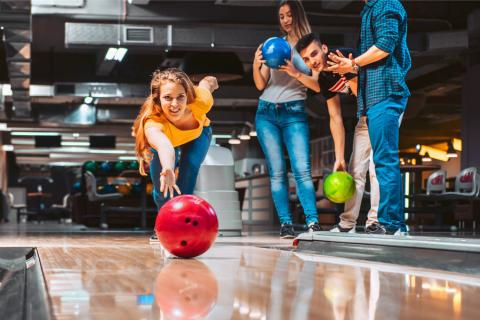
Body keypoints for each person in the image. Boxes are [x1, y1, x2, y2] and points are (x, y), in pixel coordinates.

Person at [327, 0, 411, 235]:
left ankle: (392, 224)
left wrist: (353, 62)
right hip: (373, 99)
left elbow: (385, 45)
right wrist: (352, 68)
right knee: (380, 162)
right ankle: (383, 222)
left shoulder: (386, 4)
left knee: (384, 161)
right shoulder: (370, 9)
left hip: (386, 93)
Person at [296, 33, 380, 234]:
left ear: (324, 48)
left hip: (383, 108)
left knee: (376, 169)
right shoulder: (324, 78)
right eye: (306, 59)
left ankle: (376, 222)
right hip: (365, 116)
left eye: (314, 54)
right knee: (354, 169)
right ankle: (347, 224)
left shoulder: (345, 55)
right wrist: (339, 158)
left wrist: (348, 71)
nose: (312, 61)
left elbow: (364, 90)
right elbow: (335, 118)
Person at [253, 0, 321, 238]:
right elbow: (260, 84)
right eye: (281, 16)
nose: (285, 20)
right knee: (277, 172)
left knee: (302, 170)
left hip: (294, 112)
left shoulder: (309, 46)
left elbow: (316, 84)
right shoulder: (273, 45)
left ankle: (313, 222)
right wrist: (255, 62)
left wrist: (295, 72)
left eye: (289, 15)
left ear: (298, 15)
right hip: (266, 113)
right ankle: (286, 224)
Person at [132, 68, 218, 242]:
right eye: (167, 97)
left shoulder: (201, 101)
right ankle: (163, 224)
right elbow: (165, 146)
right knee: (162, 185)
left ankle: (181, 224)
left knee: (190, 167)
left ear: (188, 95)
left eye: (181, 97)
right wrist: (169, 168)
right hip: (167, 141)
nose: (175, 104)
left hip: (198, 134)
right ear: (157, 99)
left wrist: (211, 80)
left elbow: (207, 83)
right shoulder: (153, 122)